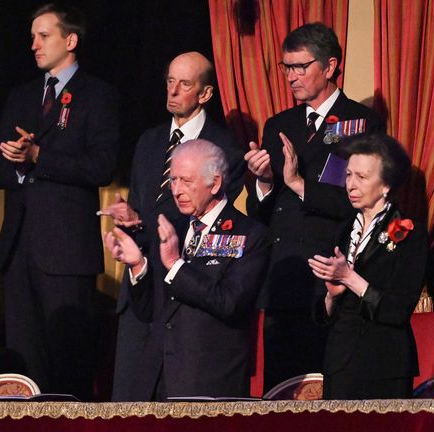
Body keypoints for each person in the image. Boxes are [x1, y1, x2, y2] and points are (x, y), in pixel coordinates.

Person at [0, 3, 119, 400]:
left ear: (71, 40)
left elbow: (101, 167)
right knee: (26, 366)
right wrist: (18, 163)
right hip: (18, 249)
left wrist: (40, 158)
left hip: (66, 251)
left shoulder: (98, 95)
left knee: (68, 362)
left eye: (44, 36)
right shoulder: (22, 96)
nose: (34, 45)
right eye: (32, 37)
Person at [244, 22, 385, 390]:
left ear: (330, 66)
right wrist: (263, 180)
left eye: (300, 67)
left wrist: (297, 183)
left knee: (327, 395)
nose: (291, 77)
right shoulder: (280, 123)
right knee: (282, 395)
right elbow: (262, 212)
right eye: (286, 67)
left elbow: (358, 200)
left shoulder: (361, 123)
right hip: (283, 276)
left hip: (329, 275)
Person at [99, 52, 246, 401]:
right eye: (169, 81)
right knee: (129, 406)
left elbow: (213, 223)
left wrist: (149, 228)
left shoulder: (225, 149)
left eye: (185, 84)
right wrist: (131, 221)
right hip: (139, 289)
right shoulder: (149, 141)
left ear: (205, 94)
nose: (174, 90)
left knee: (174, 407)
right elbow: (140, 207)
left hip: (184, 297)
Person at [104, 139, 269, 400]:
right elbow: (149, 311)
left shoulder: (250, 234)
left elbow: (229, 302)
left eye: (186, 181)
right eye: (173, 180)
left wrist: (176, 266)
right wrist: (138, 266)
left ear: (214, 183)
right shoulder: (172, 228)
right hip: (157, 379)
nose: (176, 190)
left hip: (208, 381)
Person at [308, 133, 426, 399]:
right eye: (348, 175)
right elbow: (321, 314)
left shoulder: (410, 233)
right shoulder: (342, 230)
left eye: (361, 177)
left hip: (385, 363)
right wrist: (331, 295)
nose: (351, 184)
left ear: (386, 185)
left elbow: (398, 310)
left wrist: (350, 278)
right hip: (339, 361)